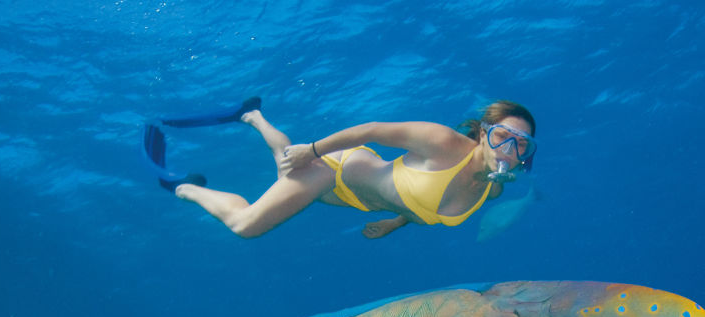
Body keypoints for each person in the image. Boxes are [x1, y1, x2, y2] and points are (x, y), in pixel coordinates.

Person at [159, 99, 536, 239]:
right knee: (246, 226)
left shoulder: (493, 189)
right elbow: (372, 130)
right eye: (504, 135)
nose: (510, 148)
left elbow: (422, 204)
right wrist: (313, 150)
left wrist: (393, 224)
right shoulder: (443, 142)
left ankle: (252, 115)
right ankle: (184, 186)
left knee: (284, 164)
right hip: (335, 171)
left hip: (343, 197)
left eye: (522, 144)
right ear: (485, 133)